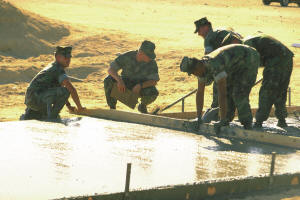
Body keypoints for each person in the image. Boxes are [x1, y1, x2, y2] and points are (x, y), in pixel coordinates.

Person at [180, 44, 260, 131]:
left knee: (239, 93)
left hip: (249, 58)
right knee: (228, 93)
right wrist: (199, 118)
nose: (194, 75)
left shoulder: (215, 65)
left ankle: (247, 125)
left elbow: (222, 94)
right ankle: (225, 120)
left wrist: (221, 120)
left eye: (193, 72)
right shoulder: (201, 68)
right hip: (233, 65)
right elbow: (200, 93)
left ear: (197, 67)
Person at [221, 33, 294, 128]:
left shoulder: (247, 45)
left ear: (234, 41)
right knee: (280, 90)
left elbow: (251, 67)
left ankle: (259, 121)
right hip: (287, 57)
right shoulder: (251, 39)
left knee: (267, 91)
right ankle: (282, 119)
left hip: (276, 61)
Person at [22, 46, 85, 120]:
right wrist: (80, 108)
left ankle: (36, 113)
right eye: (65, 57)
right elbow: (71, 89)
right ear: (57, 57)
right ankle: (52, 117)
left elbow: (59, 87)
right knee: (65, 91)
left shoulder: (53, 66)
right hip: (35, 98)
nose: (68, 60)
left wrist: (69, 106)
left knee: (61, 90)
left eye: (69, 57)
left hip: (32, 99)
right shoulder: (57, 69)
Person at [194, 17, 243, 109]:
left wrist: (205, 76)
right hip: (243, 60)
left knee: (218, 82)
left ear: (206, 27)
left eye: (199, 30)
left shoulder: (209, 37)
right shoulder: (222, 31)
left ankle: (217, 110)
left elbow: (208, 59)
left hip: (231, 61)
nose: (199, 34)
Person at [104, 40, 160, 113]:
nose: (150, 58)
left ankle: (142, 106)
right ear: (141, 53)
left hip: (140, 86)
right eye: (148, 56)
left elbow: (154, 81)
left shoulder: (151, 63)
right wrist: (119, 81)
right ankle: (112, 108)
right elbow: (111, 69)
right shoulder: (127, 56)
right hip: (125, 83)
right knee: (108, 80)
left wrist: (140, 85)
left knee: (153, 92)